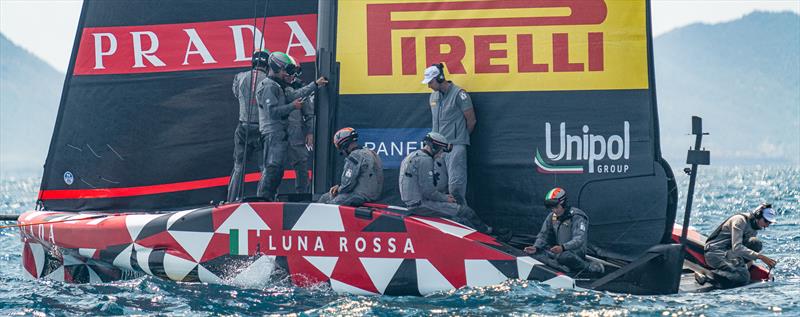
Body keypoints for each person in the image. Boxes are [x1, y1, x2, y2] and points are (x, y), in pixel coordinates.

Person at [399, 132, 507, 238]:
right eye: (441, 151)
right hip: (421, 205)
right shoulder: (425, 160)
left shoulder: (413, 156)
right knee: (465, 212)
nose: (441, 155)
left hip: (414, 203)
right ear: (435, 147)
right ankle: (490, 235)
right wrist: (445, 198)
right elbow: (428, 192)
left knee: (458, 212)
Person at [255, 52, 326, 201]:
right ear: (275, 68)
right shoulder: (269, 86)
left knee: (279, 169)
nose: (287, 74)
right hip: (273, 133)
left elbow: (295, 95)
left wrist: (315, 85)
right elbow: (272, 112)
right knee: (272, 169)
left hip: (283, 134)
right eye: (284, 71)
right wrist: (293, 106)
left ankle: (279, 198)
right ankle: (263, 199)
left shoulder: (280, 85)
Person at [421, 63, 476, 204]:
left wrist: (460, 138)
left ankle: (461, 221)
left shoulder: (459, 94)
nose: (429, 86)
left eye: (431, 82)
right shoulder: (433, 97)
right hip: (438, 149)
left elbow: (471, 121)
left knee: (456, 187)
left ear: (440, 78)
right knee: (438, 186)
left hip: (455, 146)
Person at [695, 203, 778, 288]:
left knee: (756, 243)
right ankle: (707, 274)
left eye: (770, 223)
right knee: (743, 277)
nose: (767, 225)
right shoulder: (740, 221)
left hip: (730, 253)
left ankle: (737, 268)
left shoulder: (755, 227)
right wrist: (760, 257)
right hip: (715, 253)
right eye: (766, 221)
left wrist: (751, 267)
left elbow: (747, 250)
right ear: (758, 215)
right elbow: (737, 247)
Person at [524, 188, 604, 274]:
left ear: (563, 204)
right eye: (552, 208)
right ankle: (561, 267)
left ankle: (589, 267)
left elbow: (579, 239)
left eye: (556, 207)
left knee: (564, 256)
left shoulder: (577, 216)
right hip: (559, 251)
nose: (554, 210)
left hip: (574, 253)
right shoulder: (552, 216)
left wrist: (563, 247)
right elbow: (544, 234)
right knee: (534, 253)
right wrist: (536, 247)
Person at [226, 49, 270, 202]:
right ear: (267, 64)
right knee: (264, 168)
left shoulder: (239, 77)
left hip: (243, 126)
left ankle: (230, 201)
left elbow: (236, 94)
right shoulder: (269, 80)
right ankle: (262, 201)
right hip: (261, 128)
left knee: (238, 167)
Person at [318, 127, 384, 206]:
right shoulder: (371, 153)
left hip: (359, 196)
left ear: (344, 144)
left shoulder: (355, 156)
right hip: (373, 196)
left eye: (341, 148)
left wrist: (338, 189)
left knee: (325, 200)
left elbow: (347, 184)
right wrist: (339, 187)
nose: (342, 152)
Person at [284, 58, 316, 193]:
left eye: (297, 72)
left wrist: (310, 132)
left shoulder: (300, 87)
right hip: (275, 133)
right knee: (272, 166)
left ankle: (302, 195)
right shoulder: (271, 85)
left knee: (301, 165)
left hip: (295, 134)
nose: (294, 76)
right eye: (292, 72)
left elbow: (309, 113)